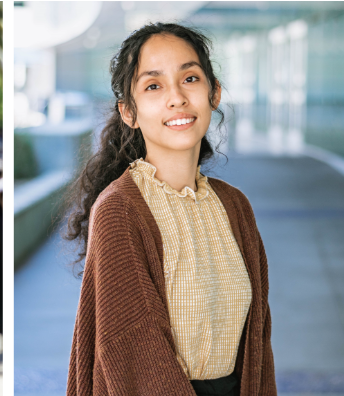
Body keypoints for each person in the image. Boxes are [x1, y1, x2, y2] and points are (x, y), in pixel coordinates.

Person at [63, 22, 276, 396]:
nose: (176, 97)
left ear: (214, 94)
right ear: (128, 112)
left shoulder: (235, 206)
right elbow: (131, 348)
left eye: (190, 79)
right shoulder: (120, 210)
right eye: (153, 85)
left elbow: (258, 344)